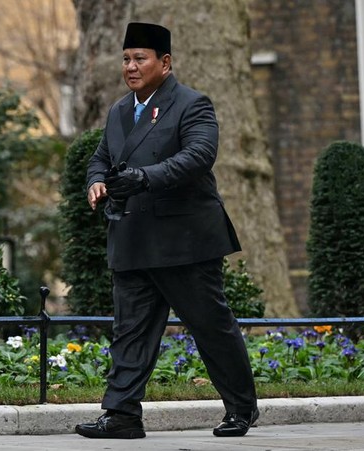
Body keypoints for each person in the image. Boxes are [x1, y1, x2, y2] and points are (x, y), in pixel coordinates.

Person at [75, 22, 258, 439]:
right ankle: (121, 415)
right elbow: (100, 157)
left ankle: (241, 409)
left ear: (165, 62)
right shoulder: (120, 111)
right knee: (130, 332)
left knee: (210, 326)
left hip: (184, 242)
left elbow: (198, 156)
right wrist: (96, 182)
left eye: (140, 58)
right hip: (133, 238)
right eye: (126, 59)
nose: (131, 67)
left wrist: (144, 177)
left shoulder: (192, 104)